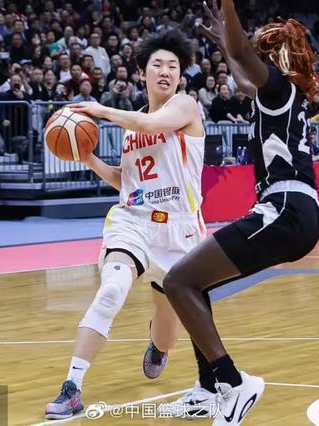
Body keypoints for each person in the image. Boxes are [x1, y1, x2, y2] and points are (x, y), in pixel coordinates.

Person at [162, 2, 319, 424]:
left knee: (178, 281)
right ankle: (207, 389)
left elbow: (243, 56)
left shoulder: (279, 88)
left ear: (275, 59)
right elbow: (241, 71)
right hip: (294, 212)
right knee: (194, 281)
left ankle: (233, 383)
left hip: (285, 209)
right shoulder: (277, 96)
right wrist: (225, 45)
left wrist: (229, 10)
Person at [44, 30, 206, 420]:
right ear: (143, 73)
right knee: (112, 289)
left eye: (173, 66)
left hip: (180, 231)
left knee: (167, 333)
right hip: (133, 222)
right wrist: (88, 158)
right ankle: (72, 387)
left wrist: (101, 111)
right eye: (157, 65)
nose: (165, 71)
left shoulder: (185, 106)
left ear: (180, 75)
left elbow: (152, 125)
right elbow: (127, 181)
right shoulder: (133, 127)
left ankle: (159, 344)